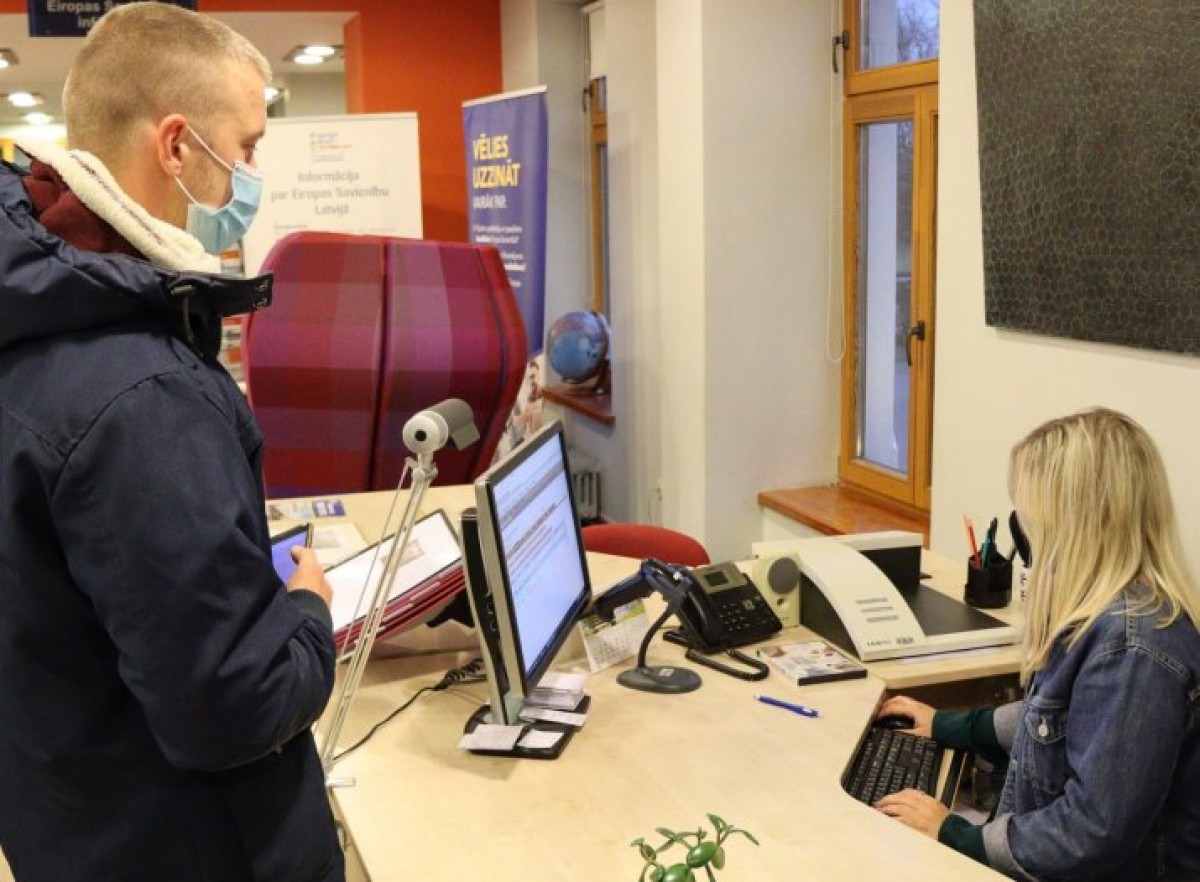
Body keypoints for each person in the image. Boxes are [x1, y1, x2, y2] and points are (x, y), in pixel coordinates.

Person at [0, 5, 342, 881]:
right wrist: (309, 614)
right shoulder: (140, 392)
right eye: (248, 146)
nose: (253, 175)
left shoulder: (35, 313)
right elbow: (233, 707)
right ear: (179, 147)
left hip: (73, 815)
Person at [875, 408, 1200, 881]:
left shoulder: (1133, 651)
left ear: (1079, 522)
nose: (1028, 535)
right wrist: (950, 726)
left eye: (1033, 518)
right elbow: (1054, 721)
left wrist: (955, 835)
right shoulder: (1106, 613)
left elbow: (1092, 831)